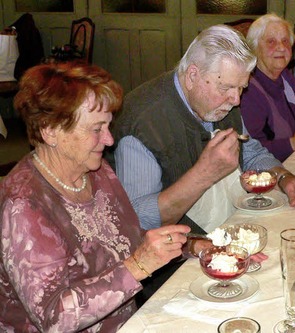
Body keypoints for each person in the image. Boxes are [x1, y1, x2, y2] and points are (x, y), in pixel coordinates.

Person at [107, 25, 295, 303]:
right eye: (226, 87)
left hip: (225, 234)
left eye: (241, 88)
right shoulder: (144, 122)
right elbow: (138, 223)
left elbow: (249, 150)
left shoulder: (218, 101)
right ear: (193, 75)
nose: (236, 100)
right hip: (172, 272)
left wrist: (284, 177)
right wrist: (203, 174)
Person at [0, 62, 190, 331]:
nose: (110, 140)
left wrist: (189, 246)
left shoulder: (97, 170)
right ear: (50, 130)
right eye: (96, 129)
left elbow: (127, 237)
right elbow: (53, 318)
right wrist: (137, 266)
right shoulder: (25, 206)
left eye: (108, 126)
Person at [241, 13, 295, 162]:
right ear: (255, 48)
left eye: (285, 41)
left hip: (292, 160)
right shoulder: (248, 89)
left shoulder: (284, 77)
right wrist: (293, 143)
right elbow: (250, 151)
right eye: (271, 41)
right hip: (266, 174)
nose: (281, 48)